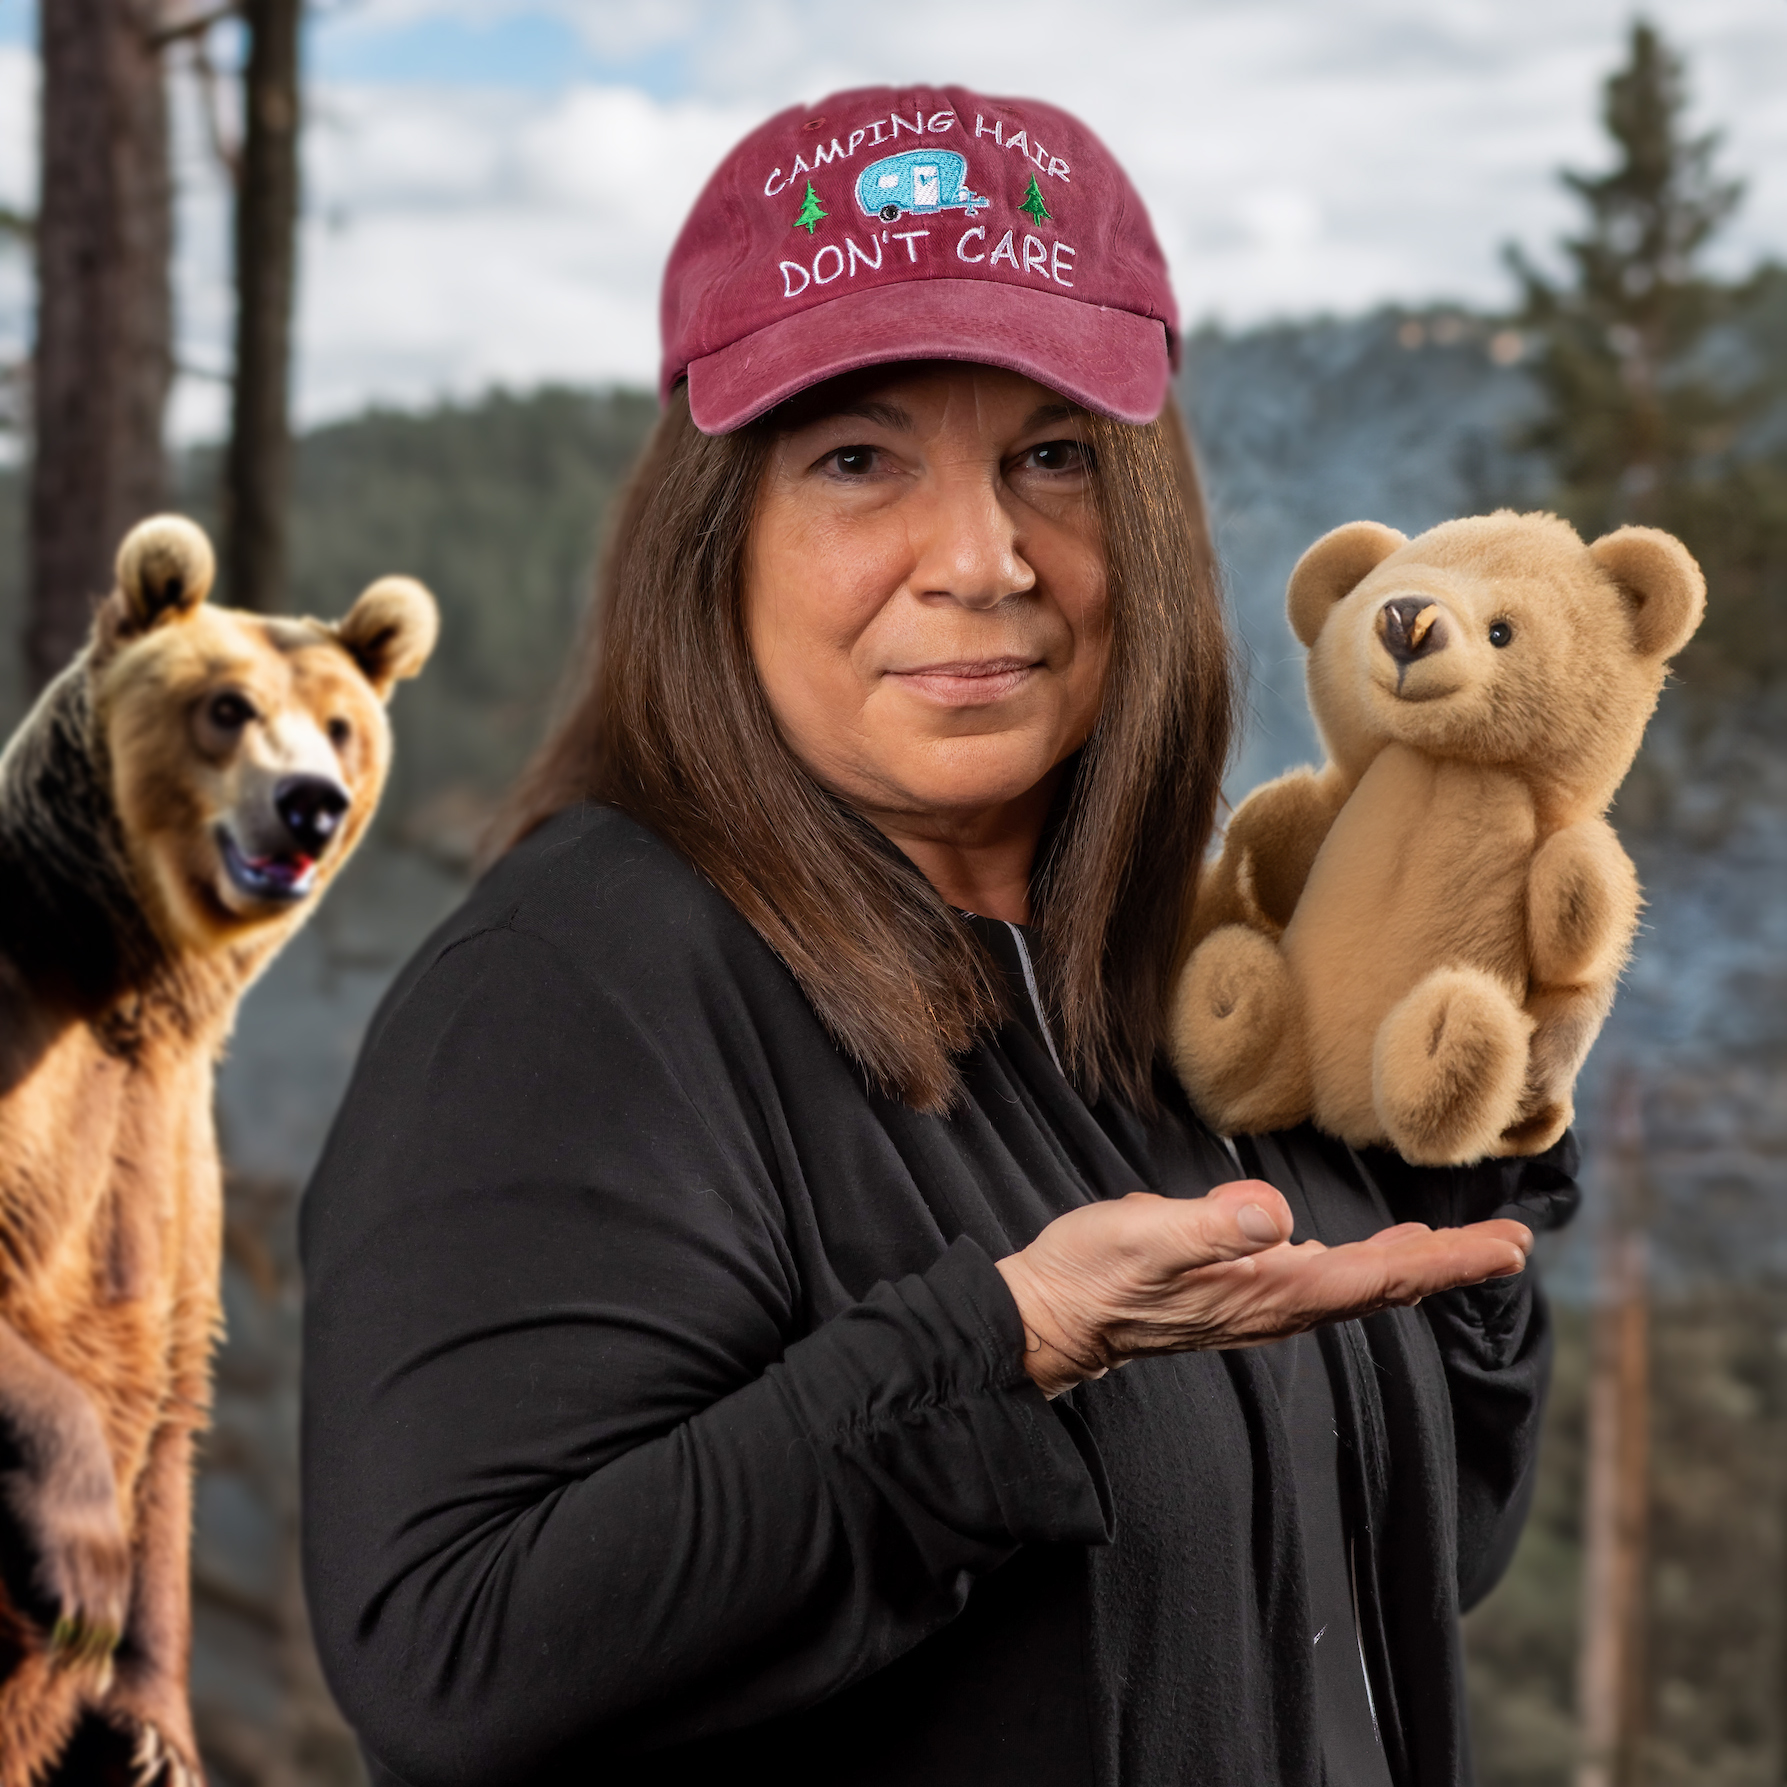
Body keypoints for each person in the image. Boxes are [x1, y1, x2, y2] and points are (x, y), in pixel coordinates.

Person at [300, 85, 1578, 1787]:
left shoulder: (1206, 977)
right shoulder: (574, 993)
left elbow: (1378, 1572)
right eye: (857, 459)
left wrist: (1454, 1171)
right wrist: (1005, 1349)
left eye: (1052, 455)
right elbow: (450, 1655)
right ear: (717, 532)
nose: (982, 559)